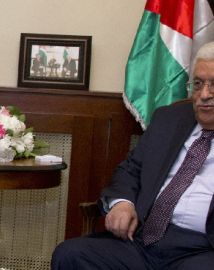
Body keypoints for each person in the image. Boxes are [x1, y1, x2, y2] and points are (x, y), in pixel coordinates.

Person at [51, 41, 214, 269]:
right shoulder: (170, 119)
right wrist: (122, 203)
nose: (204, 95)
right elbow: (131, 170)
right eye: (198, 84)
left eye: (213, 85)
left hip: (203, 249)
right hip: (141, 240)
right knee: (70, 254)